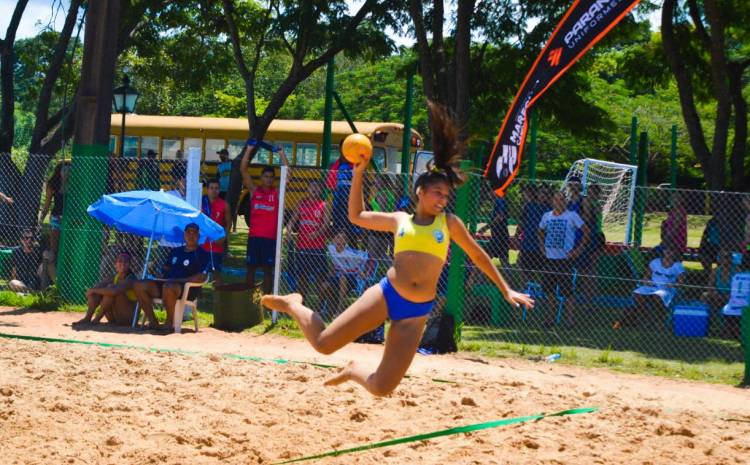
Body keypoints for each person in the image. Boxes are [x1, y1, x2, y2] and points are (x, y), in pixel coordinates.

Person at [261, 102, 533, 396]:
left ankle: (353, 370)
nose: (442, 199)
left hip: (416, 312)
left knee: (381, 387)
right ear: (420, 192)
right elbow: (356, 217)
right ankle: (294, 304)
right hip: (386, 294)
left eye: (446, 194)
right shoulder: (400, 219)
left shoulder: (450, 223)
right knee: (324, 344)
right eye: (437, 192)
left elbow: (478, 256)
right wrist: (358, 174)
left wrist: (506, 289)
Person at [133, 223, 209, 331]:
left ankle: (169, 323)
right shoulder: (176, 251)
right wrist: (159, 274)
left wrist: (179, 280)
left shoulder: (203, 254)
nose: (191, 235)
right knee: (139, 285)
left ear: (198, 236)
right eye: (188, 232)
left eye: (194, 232)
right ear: (184, 234)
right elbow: (166, 268)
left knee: (169, 286)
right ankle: (153, 322)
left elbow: (201, 277)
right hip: (167, 283)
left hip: (186, 288)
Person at [240, 143, 290, 295]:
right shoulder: (255, 191)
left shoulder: (276, 193)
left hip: (270, 238)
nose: (268, 179)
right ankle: (249, 299)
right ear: (261, 177)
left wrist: (281, 154)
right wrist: (248, 149)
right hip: (255, 238)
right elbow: (243, 169)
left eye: (271, 177)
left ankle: (266, 300)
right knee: (250, 269)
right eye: (266, 176)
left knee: (268, 270)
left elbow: (287, 175)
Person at [538, 191, 589, 327]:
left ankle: (569, 321)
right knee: (549, 291)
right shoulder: (546, 216)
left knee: (567, 292)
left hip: (565, 260)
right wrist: (542, 247)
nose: (559, 202)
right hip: (549, 259)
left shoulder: (572, 216)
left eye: (562, 199)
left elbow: (586, 232)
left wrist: (578, 250)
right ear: (552, 201)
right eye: (556, 199)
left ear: (566, 202)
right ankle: (550, 319)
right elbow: (540, 231)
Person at [614, 246, 685, 329]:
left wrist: (673, 285)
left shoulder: (678, 266)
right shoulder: (655, 262)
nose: (668, 251)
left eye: (671, 249)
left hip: (667, 289)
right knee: (638, 295)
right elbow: (646, 277)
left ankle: (657, 320)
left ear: (675, 252)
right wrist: (646, 281)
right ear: (663, 251)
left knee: (657, 296)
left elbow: (681, 283)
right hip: (652, 287)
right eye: (666, 249)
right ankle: (641, 320)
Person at [286, 180, 330, 295]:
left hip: (318, 248)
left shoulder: (324, 205)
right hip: (302, 247)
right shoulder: (302, 203)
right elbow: (292, 221)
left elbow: (326, 225)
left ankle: (321, 306)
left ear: (320, 190)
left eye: (317, 187)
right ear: (308, 190)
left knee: (320, 279)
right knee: (302, 278)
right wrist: (289, 232)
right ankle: (302, 303)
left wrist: (316, 233)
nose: (314, 189)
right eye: (312, 187)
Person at [73, 252, 137, 327]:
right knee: (98, 293)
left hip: (127, 319)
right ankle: (87, 318)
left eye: (126, 261)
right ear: (115, 265)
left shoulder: (131, 278)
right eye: (120, 261)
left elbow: (113, 292)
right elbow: (95, 288)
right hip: (114, 319)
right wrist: (92, 291)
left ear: (129, 265)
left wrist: (93, 290)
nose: (123, 263)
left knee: (110, 290)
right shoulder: (114, 277)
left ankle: (96, 320)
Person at [322, 230, 369, 315]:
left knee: (343, 278)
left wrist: (363, 275)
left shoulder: (351, 254)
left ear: (345, 242)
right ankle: (325, 308)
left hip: (352, 279)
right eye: (338, 237)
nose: (339, 240)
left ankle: (340, 308)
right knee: (324, 286)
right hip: (337, 277)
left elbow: (363, 261)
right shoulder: (331, 249)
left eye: (342, 238)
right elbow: (332, 265)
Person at [201, 178, 230, 285]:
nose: (214, 190)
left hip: (216, 245)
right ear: (207, 189)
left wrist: (223, 238)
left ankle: (217, 298)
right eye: (211, 188)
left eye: (217, 188)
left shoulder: (224, 205)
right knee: (200, 274)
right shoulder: (200, 203)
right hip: (201, 245)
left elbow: (228, 224)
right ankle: (198, 299)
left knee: (216, 273)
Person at [39, 160, 70, 258]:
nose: (68, 172)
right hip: (56, 216)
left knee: (67, 246)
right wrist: (41, 219)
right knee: (54, 248)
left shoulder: (74, 184)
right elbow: (47, 203)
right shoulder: (53, 184)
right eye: (65, 170)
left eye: (69, 170)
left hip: (69, 217)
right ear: (60, 171)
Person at [515, 184, 545, 284]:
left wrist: (517, 233)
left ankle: (530, 286)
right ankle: (529, 286)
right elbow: (521, 225)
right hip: (529, 244)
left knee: (532, 268)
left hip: (537, 245)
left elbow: (520, 225)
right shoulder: (529, 206)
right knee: (524, 266)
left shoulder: (545, 209)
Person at [700, 249, 737, 314]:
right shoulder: (715, 271)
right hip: (718, 295)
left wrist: (729, 295)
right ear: (719, 259)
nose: (726, 259)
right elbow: (710, 286)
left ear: (731, 259)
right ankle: (709, 315)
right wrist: (715, 292)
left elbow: (737, 288)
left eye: (728, 257)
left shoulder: (736, 271)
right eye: (723, 257)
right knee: (704, 295)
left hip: (731, 295)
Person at [478, 195, 509, 268]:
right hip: (500, 235)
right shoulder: (501, 200)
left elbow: (500, 217)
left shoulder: (500, 200)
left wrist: (486, 227)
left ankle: (473, 279)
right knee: (503, 259)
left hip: (498, 235)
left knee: (485, 258)